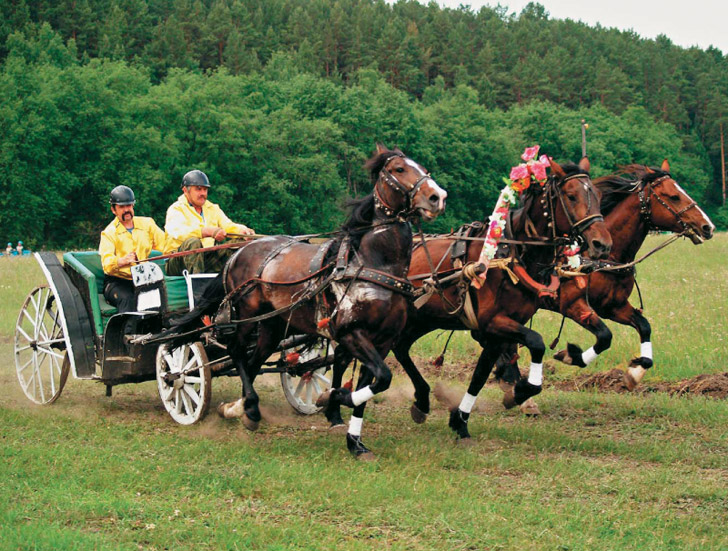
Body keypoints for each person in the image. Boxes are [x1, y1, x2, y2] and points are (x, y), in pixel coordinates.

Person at [164, 170, 254, 276]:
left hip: (206, 257)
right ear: (185, 190)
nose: (203, 193)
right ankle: (198, 288)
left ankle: (239, 285)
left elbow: (228, 225)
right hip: (177, 260)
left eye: (205, 189)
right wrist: (206, 231)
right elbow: (179, 233)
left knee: (240, 241)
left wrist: (243, 231)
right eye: (198, 189)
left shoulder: (212, 208)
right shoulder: (176, 209)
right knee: (193, 242)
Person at [99, 185, 166, 314]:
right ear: (113, 210)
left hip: (143, 278)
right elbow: (107, 264)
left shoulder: (147, 224)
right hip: (117, 281)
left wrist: (174, 252)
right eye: (122, 207)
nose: (126, 210)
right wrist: (121, 261)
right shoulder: (109, 233)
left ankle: (156, 332)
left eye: (129, 206)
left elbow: (165, 245)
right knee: (127, 298)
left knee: (156, 297)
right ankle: (127, 333)